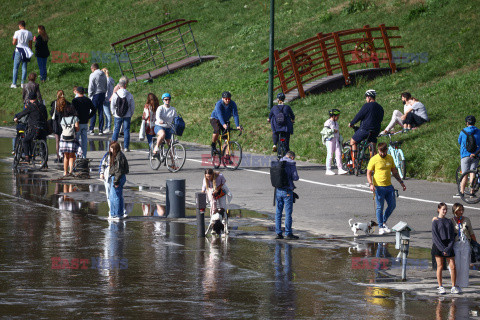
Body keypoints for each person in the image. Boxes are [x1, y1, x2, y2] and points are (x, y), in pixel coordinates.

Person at [366, 142, 406, 235]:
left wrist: (401, 182)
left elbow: (394, 172)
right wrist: (371, 184)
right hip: (378, 187)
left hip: (389, 186)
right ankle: (380, 226)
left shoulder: (390, 158)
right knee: (380, 207)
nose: (382, 154)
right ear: (378, 150)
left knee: (392, 205)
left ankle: (383, 222)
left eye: (384, 152)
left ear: (386, 150)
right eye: (381, 152)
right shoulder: (374, 159)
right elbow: (368, 173)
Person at [432, 202, 459, 295]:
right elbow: (435, 237)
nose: (445, 211)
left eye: (446, 209)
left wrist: (448, 248)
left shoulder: (449, 221)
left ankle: (453, 286)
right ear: (438, 209)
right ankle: (440, 286)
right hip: (438, 245)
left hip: (448, 245)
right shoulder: (435, 221)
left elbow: (452, 236)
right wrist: (443, 249)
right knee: (440, 266)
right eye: (443, 209)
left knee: (453, 266)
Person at [349, 89, 384, 159]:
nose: (366, 99)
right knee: (372, 148)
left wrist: (352, 123)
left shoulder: (367, 105)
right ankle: (374, 167)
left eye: (366, 97)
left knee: (353, 142)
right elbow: (381, 119)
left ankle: (353, 163)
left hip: (365, 129)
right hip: (375, 130)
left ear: (369, 97)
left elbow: (359, 115)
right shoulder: (380, 108)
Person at [14, 91, 48, 163]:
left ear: (30, 99)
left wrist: (16, 117)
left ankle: (27, 158)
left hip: (34, 128)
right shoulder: (43, 106)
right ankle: (45, 164)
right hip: (43, 128)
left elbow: (23, 113)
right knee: (43, 144)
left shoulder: (31, 107)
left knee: (25, 140)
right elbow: (46, 116)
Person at [450, 203, 477, 290]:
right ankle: (455, 284)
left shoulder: (467, 220)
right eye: (459, 210)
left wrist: (476, 245)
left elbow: (471, 233)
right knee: (456, 264)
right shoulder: (451, 221)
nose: (461, 212)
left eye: (462, 210)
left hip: (466, 244)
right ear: (455, 211)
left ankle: (464, 284)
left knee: (465, 265)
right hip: (456, 244)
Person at [275, 151, 300, 240]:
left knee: (278, 212)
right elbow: (295, 177)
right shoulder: (291, 163)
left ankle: (278, 233)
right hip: (287, 191)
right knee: (288, 213)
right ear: (292, 157)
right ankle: (288, 233)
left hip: (278, 190)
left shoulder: (279, 161)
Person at [456, 115, 480, 197]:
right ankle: (472, 192)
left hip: (465, 155)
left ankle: (461, 192)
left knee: (464, 174)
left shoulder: (463, 131)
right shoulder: (478, 131)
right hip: (475, 155)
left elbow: (459, 141)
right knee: (472, 173)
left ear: (467, 123)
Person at [111, 76, 135, 152]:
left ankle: (113, 145)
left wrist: (114, 113)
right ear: (125, 85)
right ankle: (126, 147)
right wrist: (130, 113)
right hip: (127, 115)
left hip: (117, 115)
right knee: (126, 130)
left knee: (116, 130)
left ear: (119, 86)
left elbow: (112, 105)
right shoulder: (129, 94)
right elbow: (132, 106)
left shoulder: (115, 94)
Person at [321, 109, 348, 175]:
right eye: (337, 116)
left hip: (336, 140)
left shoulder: (336, 122)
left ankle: (340, 169)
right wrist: (332, 130)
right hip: (330, 140)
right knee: (330, 154)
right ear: (333, 116)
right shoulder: (328, 122)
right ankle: (328, 169)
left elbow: (338, 132)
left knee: (338, 154)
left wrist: (340, 140)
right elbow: (324, 131)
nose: (338, 117)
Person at [108, 141, 129, 219]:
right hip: (120, 177)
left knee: (114, 196)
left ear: (115, 149)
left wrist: (116, 181)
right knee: (118, 196)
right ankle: (119, 214)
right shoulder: (119, 155)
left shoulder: (118, 157)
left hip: (118, 177)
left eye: (111, 149)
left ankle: (115, 214)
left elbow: (118, 170)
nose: (110, 150)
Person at [72, 86, 95, 158]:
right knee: (84, 141)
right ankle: (84, 156)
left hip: (77, 123)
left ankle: (76, 156)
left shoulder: (75, 101)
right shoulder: (88, 100)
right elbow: (94, 110)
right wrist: (88, 116)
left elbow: (72, 112)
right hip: (85, 122)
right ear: (84, 92)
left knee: (76, 141)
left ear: (77, 92)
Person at [59, 104, 79, 176]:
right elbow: (77, 129)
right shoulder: (75, 118)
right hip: (72, 139)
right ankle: (70, 171)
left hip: (64, 139)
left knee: (65, 156)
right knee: (71, 155)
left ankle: (65, 172)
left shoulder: (63, 119)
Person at [12, 20, 33, 89]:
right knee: (24, 67)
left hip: (18, 50)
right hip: (26, 50)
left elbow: (14, 43)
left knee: (16, 67)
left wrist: (13, 39)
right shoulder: (29, 33)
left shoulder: (17, 32)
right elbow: (30, 44)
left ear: (20, 26)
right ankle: (22, 83)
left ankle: (14, 83)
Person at [88, 63, 107, 135]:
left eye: (91, 69)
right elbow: (106, 84)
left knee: (93, 112)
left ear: (94, 68)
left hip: (95, 94)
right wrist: (104, 92)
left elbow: (91, 86)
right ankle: (101, 129)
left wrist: (90, 95)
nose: (91, 71)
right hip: (102, 94)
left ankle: (91, 129)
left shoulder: (93, 75)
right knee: (101, 112)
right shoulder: (103, 75)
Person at [50, 90, 68, 163]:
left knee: (57, 141)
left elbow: (52, 113)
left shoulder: (54, 103)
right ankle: (64, 156)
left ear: (57, 95)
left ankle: (58, 157)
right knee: (64, 141)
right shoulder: (66, 103)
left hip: (56, 124)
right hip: (65, 124)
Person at [101, 68, 115, 133]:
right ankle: (106, 127)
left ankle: (108, 127)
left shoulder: (106, 80)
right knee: (107, 114)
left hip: (106, 98)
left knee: (107, 114)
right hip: (111, 98)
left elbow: (105, 90)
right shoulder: (111, 79)